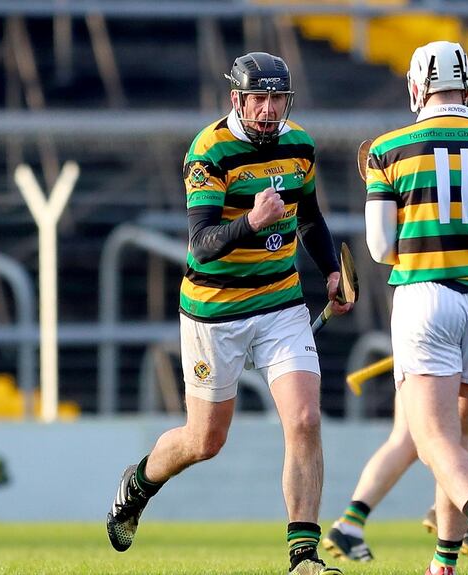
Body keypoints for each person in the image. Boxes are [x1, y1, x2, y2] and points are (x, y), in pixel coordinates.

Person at [105, 51, 352, 575]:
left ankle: (303, 556)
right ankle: (140, 483)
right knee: (205, 441)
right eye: (257, 99)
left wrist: (330, 270)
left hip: (282, 301)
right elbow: (200, 245)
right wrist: (254, 222)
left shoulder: (300, 145)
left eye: (276, 98)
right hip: (215, 311)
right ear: (236, 99)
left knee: (305, 419)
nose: (267, 110)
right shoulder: (208, 151)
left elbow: (310, 219)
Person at [324, 103, 468, 566]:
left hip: (426, 307)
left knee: (423, 439)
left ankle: (418, 542)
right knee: (463, 434)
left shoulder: (419, 153)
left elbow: (389, 245)